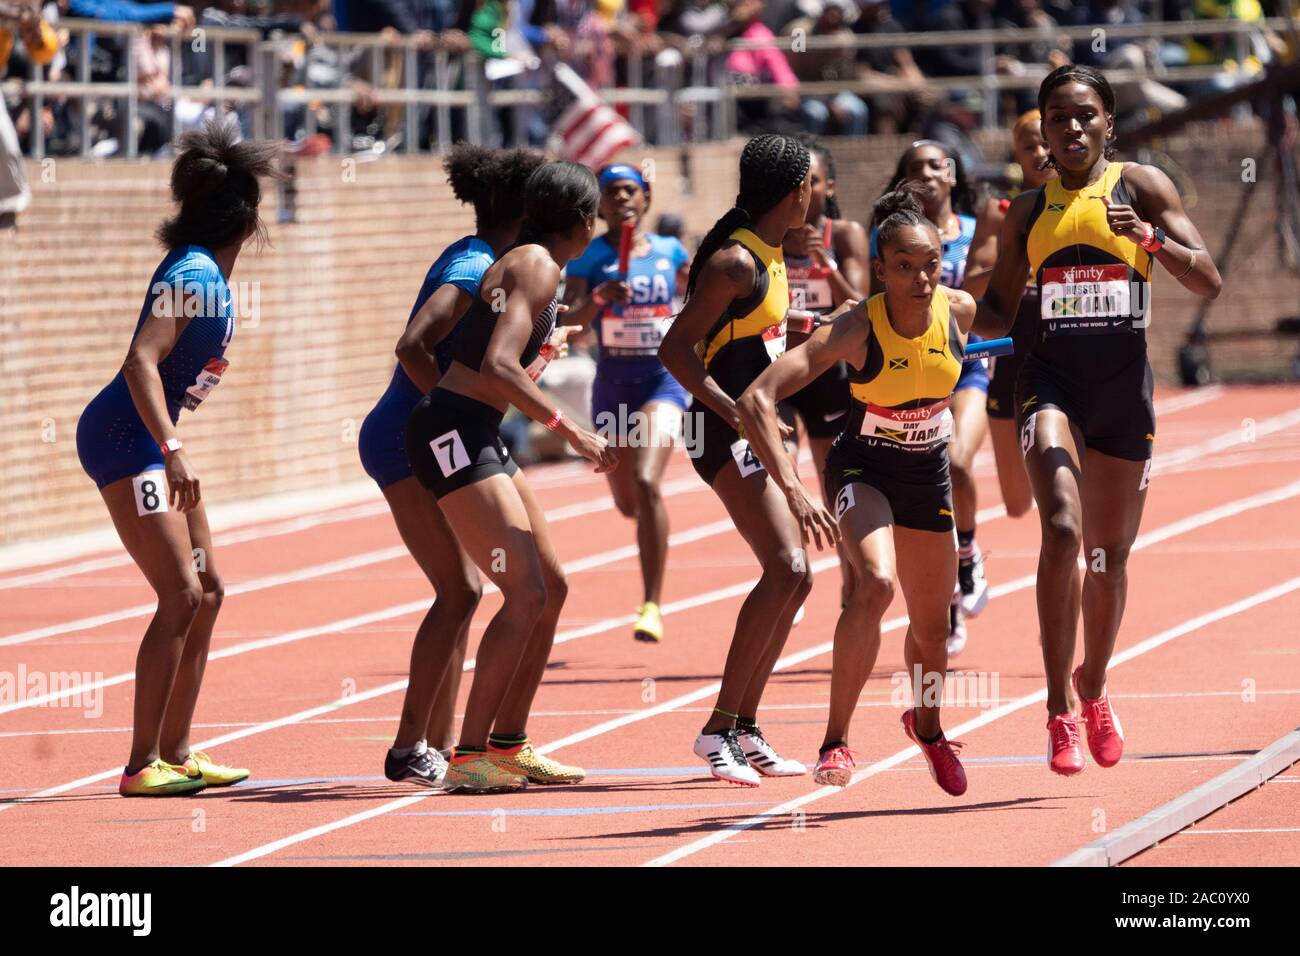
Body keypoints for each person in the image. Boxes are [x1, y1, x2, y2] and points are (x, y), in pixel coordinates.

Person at [973, 64, 1221, 775]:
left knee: (1107, 560)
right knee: (1060, 524)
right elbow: (994, 308)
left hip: (1122, 394)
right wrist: (931, 316)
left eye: (1085, 116)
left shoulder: (1141, 187)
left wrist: (1146, 238)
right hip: (1049, 382)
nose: (1073, 128)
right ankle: (1057, 709)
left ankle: (1095, 684)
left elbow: (1208, 277)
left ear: (1108, 122)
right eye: (1058, 118)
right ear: (1043, 132)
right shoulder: (1026, 211)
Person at [738, 183, 975, 797]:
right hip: (864, 467)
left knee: (931, 624)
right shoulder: (853, 328)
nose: (920, 279)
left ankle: (927, 728)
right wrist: (792, 486)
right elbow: (757, 396)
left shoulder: (961, 310)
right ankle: (836, 740)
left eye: (930, 266)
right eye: (904, 267)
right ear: (878, 270)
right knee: (872, 584)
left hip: (928, 473)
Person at [75, 119, 280, 796]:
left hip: (150, 443)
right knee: (180, 593)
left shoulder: (210, 276)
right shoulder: (193, 274)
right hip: (126, 441)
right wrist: (173, 449)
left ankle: (178, 750)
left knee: (210, 590)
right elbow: (139, 361)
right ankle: (140, 766)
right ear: (248, 221)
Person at [404, 160, 617, 792]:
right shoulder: (538, 266)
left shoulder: (529, 264)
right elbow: (497, 363)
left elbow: (490, 351)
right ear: (583, 221)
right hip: (453, 432)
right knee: (523, 592)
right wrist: (570, 427)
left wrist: (545, 349)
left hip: (473, 429)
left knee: (550, 585)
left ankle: (509, 741)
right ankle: (468, 756)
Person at [358, 144, 543, 788]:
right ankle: (411, 746)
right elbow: (412, 345)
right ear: (525, 209)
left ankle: (444, 743)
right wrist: (448, 405)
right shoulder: (474, 266)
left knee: (481, 587)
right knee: (461, 589)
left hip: (449, 434)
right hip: (405, 438)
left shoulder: (497, 260)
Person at [659, 133, 812, 787]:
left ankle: (744, 727)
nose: (816, 192)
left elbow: (750, 334)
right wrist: (733, 410)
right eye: (812, 182)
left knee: (797, 576)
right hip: (719, 431)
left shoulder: (772, 254)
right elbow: (675, 350)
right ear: (793, 189)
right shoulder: (735, 262)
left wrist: (808, 325)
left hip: (752, 429)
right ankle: (717, 728)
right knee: (786, 567)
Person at [563, 162, 691, 643]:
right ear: (598, 206)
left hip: (662, 382)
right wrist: (599, 298)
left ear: (645, 198)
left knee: (647, 480)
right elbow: (572, 332)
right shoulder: (589, 257)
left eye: (628, 191)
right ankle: (649, 526)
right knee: (628, 503)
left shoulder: (669, 250)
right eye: (610, 194)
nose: (620, 200)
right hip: (613, 386)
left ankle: (652, 604)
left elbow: (701, 297)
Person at [869, 139, 985, 655]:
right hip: (909, 372)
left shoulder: (979, 232)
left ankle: (969, 551)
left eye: (937, 165)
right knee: (923, 495)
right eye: (915, 168)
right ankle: (947, 606)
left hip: (967, 369)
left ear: (954, 174)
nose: (928, 175)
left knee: (957, 462)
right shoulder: (894, 239)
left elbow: (995, 300)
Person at [781, 136, 868, 607]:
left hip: (829, 373)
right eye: (796, 183)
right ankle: (792, 572)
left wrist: (822, 261)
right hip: (778, 372)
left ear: (827, 185)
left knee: (834, 481)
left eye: (811, 181)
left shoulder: (846, 233)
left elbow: (859, 303)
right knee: (782, 473)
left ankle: (851, 579)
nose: (802, 191)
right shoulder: (769, 237)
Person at [963, 109, 1054, 523]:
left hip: (1065, 346)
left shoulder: (1088, 206)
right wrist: (1017, 259)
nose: (1039, 153)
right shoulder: (1000, 212)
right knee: (1018, 504)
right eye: (1027, 146)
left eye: (1043, 142)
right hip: (1010, 350)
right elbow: (971, 286)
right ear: (1016, 155)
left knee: (1064, 502)